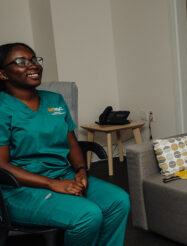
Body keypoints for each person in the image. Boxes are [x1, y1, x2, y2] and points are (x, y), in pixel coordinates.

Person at [0, 42, 130, 246]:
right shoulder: (2, 108)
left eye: (34, 60)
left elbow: (72, 143)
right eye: (21, 62)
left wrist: (80, 171)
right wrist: (52, 184)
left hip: (64, 174)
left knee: (118, 201)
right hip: (20, 189)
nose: (32, 65)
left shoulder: (55, 101)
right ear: (3, 74)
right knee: (88, 215)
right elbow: (1, 164)